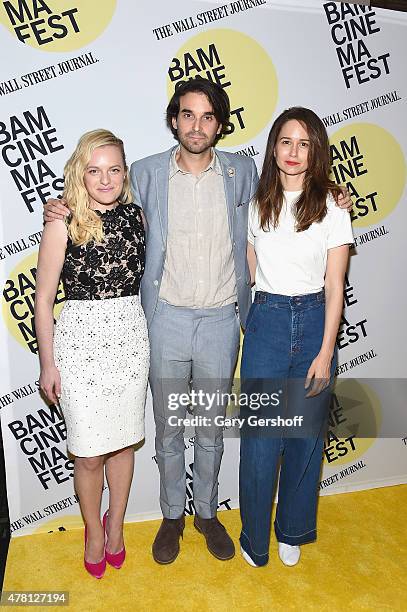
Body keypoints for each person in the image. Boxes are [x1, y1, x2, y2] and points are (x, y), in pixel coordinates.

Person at [43, 80, 352, 565]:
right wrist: (58, 207)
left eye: (208, 117)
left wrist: (333, 193)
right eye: (188, 115)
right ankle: (172, 516)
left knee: (209, 426)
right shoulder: (142, 174)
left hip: (222, 321)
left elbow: (289, 193)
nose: (197, 125)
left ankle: (206, 512)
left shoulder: (242, 172)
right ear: (174, 120)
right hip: (162, 320)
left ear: (219, 124)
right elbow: (94, 200)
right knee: (167, 429)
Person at [239, 107, 353, 569]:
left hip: (312, 324)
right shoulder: (256, 205)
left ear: (315, 152)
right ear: (273, 147)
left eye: (304, 143)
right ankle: (254, 537)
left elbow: (334, 287)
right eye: (286, 141)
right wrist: (264, 306)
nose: (293, 152)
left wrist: (326, 351)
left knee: (304, 439)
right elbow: (250, 259)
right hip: (266, 320)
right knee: (262, 439)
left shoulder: (331, 207)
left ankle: (292, 529)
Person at [35, 130, 149, 579]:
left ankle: (115, 526)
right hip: (79, 343)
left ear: (125, 172)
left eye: (114, 169)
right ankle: (93, 532)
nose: (105, 179)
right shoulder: (60, 220)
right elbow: (44, 299)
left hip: (129, 337)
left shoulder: (138, 216)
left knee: (123, 444)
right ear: (79, 173)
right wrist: (47, 363)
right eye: (94, 170)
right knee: (87, 454)